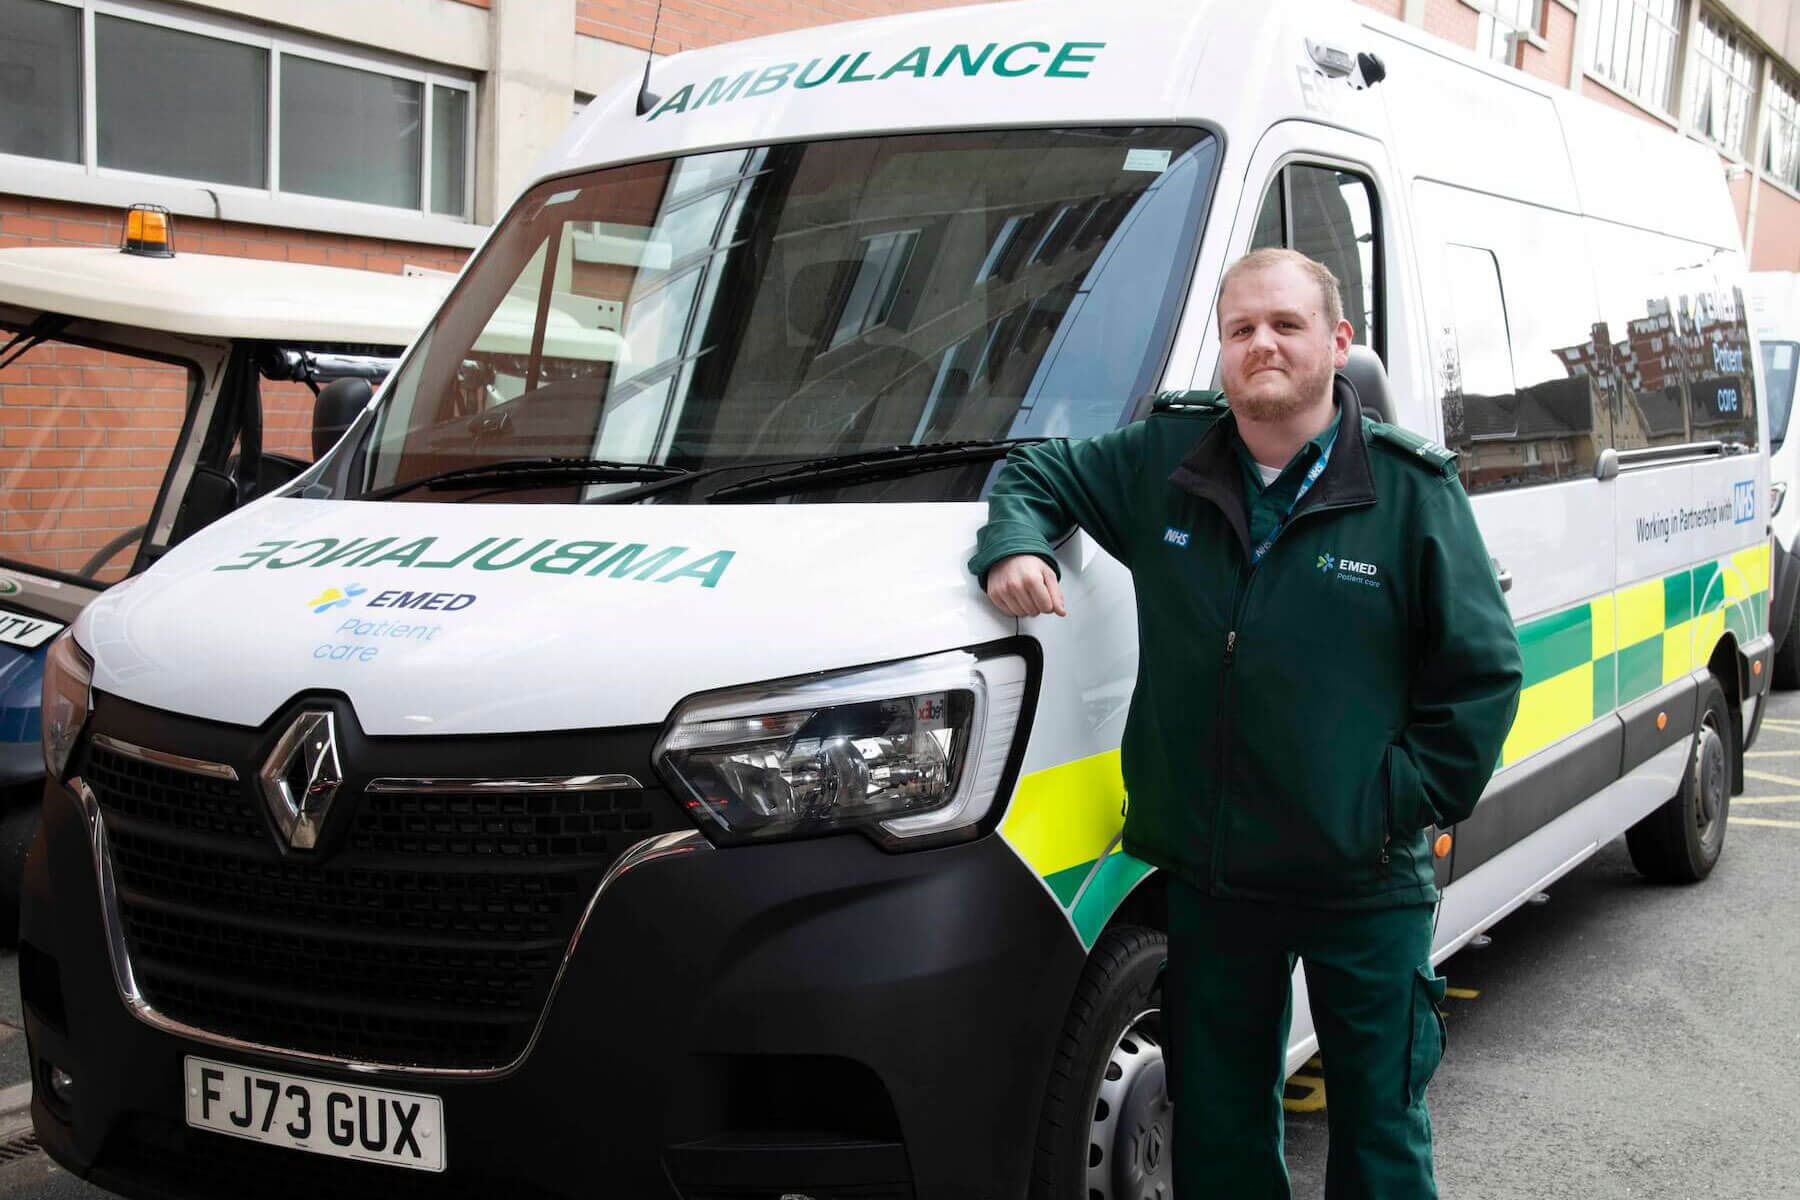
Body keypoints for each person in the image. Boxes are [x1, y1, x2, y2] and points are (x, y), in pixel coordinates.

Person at [967, 248, 1523, 1198]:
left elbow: (1484, 675)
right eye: (1241, 329)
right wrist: (1014, 545)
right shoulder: (1165, 462)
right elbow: (1033, 473)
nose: (1261, 343)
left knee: (1379, 1135)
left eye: (1286, 325)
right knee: (1219, 1138)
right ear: (1222, 349)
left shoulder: (1411, 493)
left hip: (1363, 878)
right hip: (1218, 879)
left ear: (1338, 344)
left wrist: (1391, 801)